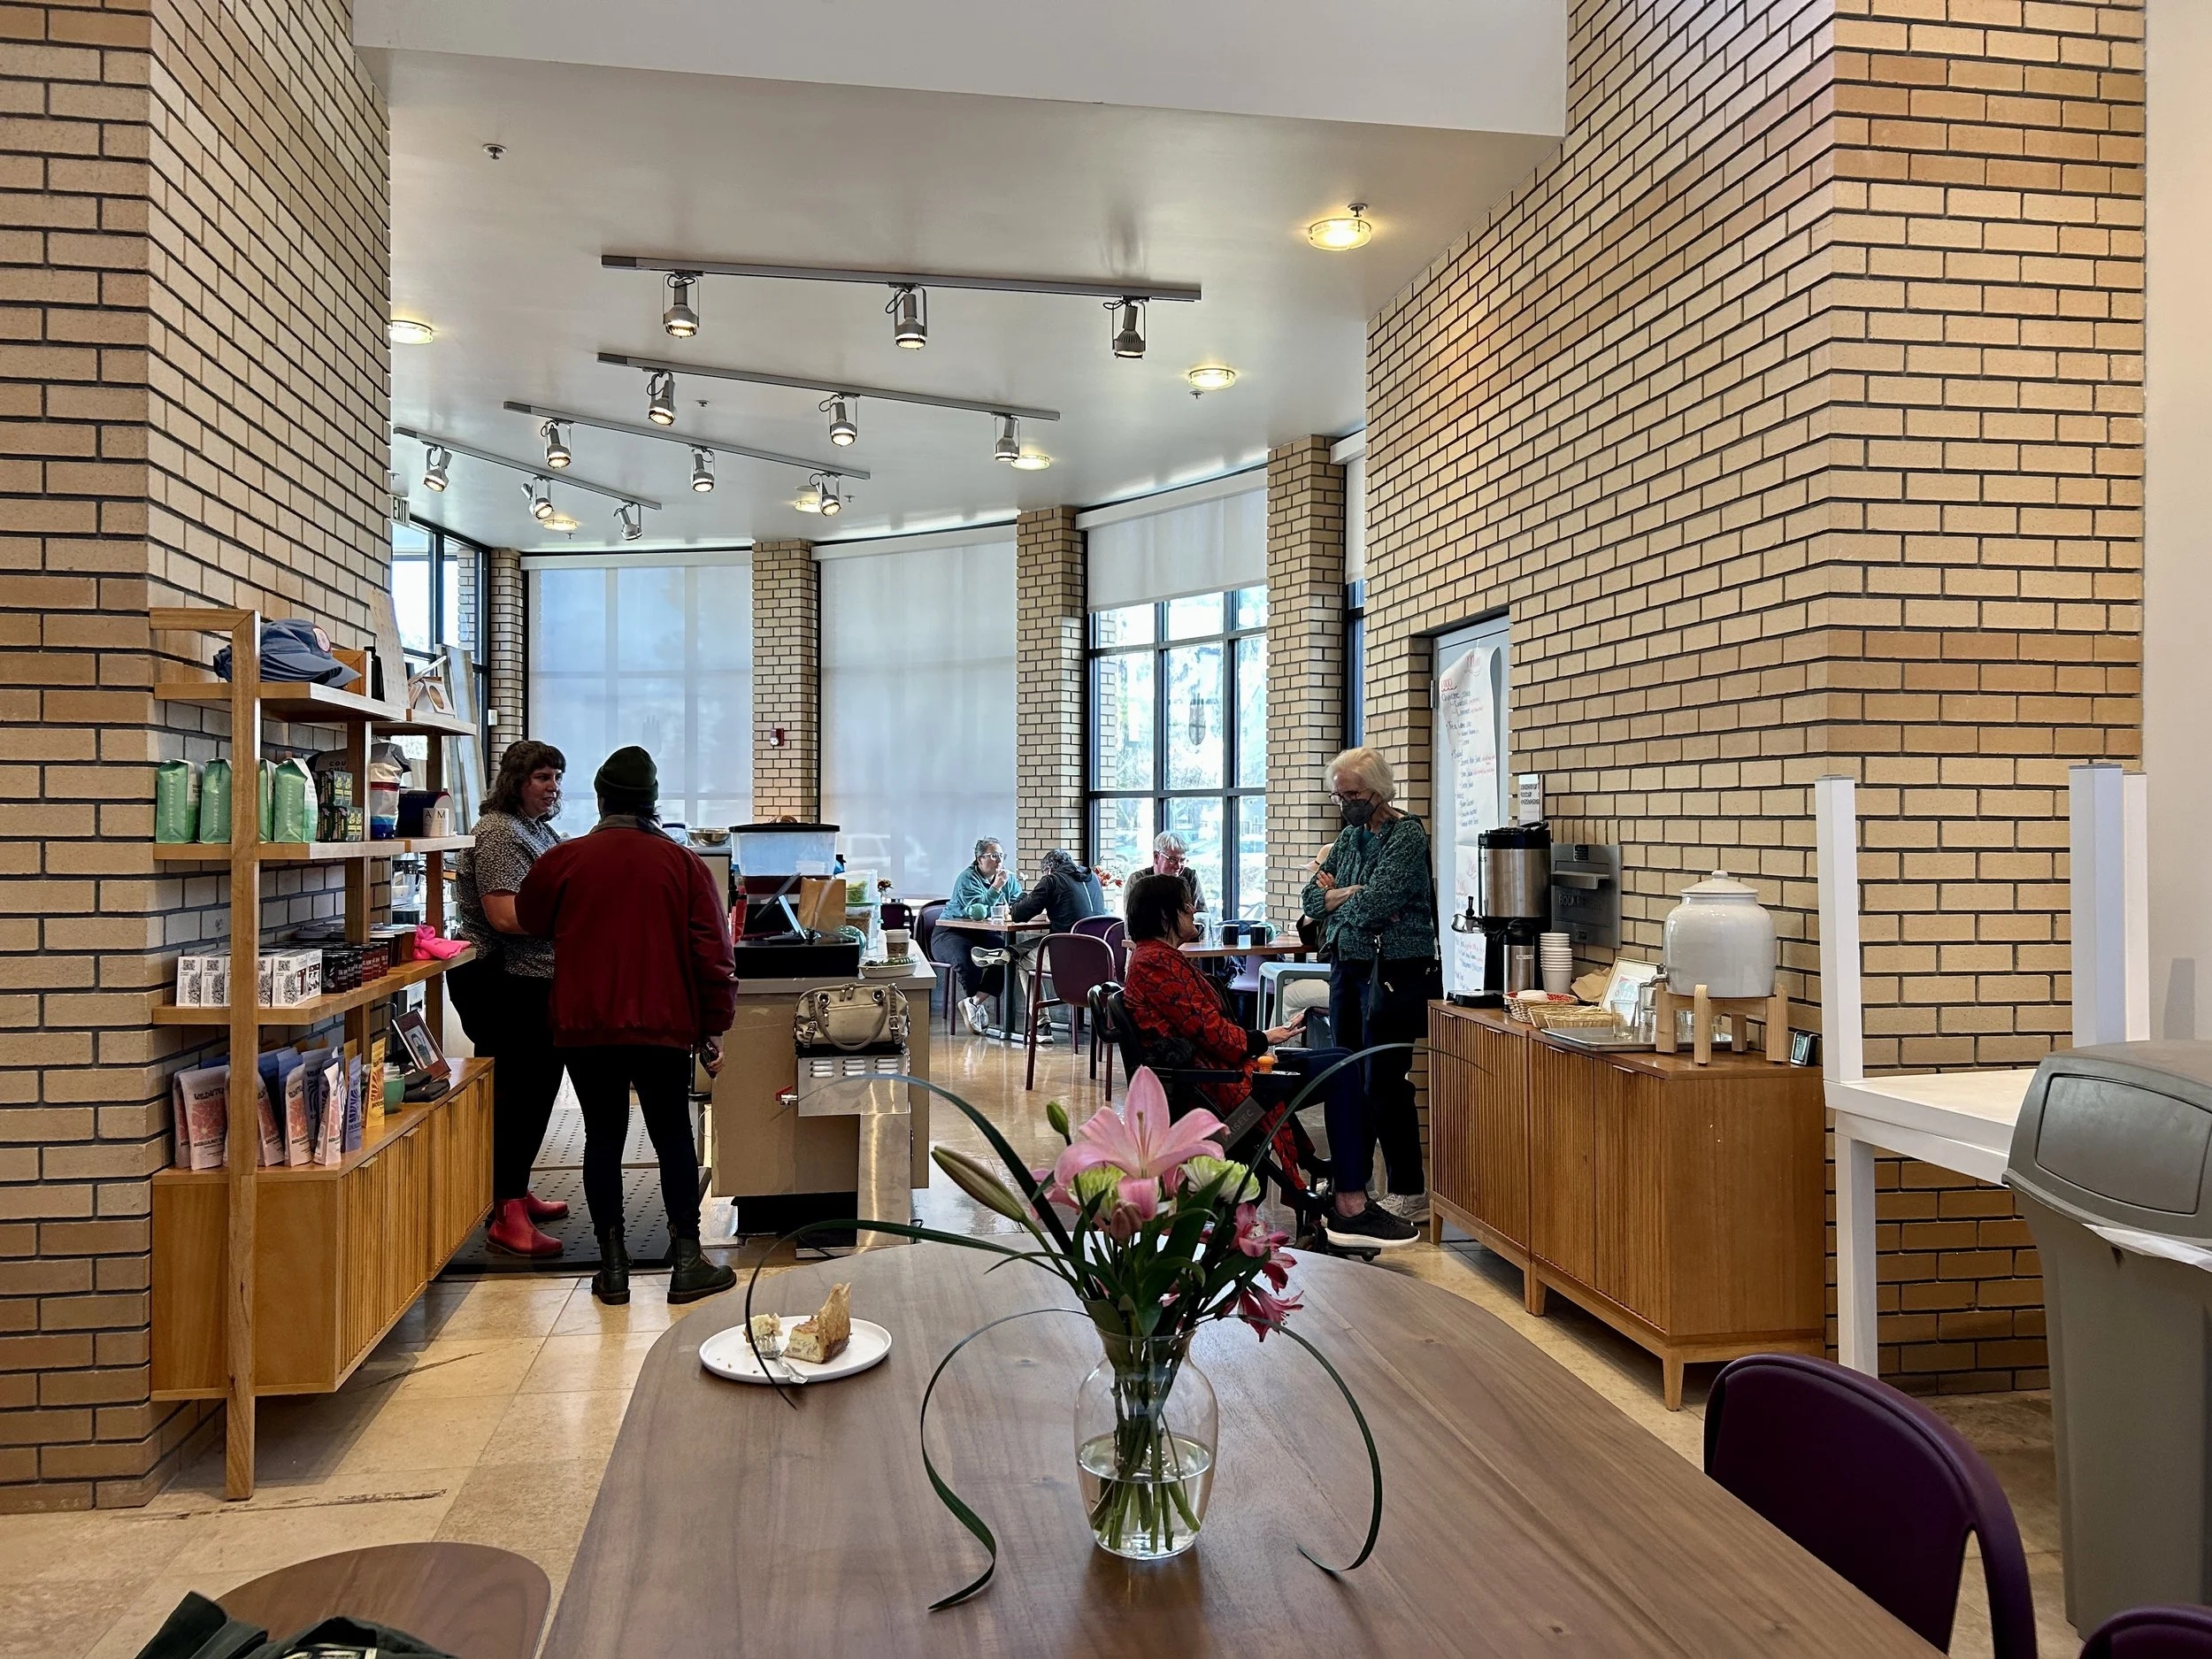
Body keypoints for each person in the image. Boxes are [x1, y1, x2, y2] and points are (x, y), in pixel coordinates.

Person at [516, 746, 739, 1307]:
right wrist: (714, 1025)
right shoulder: (683, 864)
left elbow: (530, 917)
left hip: (585, 1025)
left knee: (602, 1137)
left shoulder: (565, 859)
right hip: (664, 1026)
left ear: (600, 799)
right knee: (672, 1136)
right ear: (653, 802)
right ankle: (687, 1263)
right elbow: (713, 954)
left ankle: (612, 1267)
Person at [1119, 872, 1417, 1249]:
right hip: (1217, 1084)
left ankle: (1346, 1190)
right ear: (1165, 916)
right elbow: (1214, 1035)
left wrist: (1263, 1039)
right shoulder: (1154, 964)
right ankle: (1350, 1204)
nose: (1193, 910)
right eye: (1186, 904)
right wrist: (1263, 1038)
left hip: (1217, 1074)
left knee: (1345, 1059)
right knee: (1343, 1069)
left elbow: (1205, 1030)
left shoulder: (1156, 959)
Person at [1301, 745, 1438, 1225]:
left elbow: (1380, 901)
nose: (1345, 805)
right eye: (1339, 797)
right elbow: (1310, 901)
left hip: (1393, 972)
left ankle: (1409, 1189)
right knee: (1347, 1078)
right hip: (1347, 968)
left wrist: (1345, 901)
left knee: (1383, 1080)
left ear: (1377, 791)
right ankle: (1354, 1184)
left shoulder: (1406, 836)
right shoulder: (1350, 837)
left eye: (1352, 794)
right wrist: (1343, 896)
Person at [449, 740, 571, 1259]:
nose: (553, 787)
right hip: (506, 982)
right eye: (543, 777)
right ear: (517, 781)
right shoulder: (499, 833)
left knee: (538, 1090)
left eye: (557, 777)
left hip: (534, 979)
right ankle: (506, 1214)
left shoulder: (536, 829)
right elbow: (504, 916)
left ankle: (516, 1191)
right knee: (518, 1096)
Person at [947, 837, 1021, 1033]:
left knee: (1006, 954)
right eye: (994, 856)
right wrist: (996, 887)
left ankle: (974, 1002)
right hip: (952, 931)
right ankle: (973, 1007)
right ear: (979, 859)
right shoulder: (967, 878)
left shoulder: (1008, 878)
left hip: (982, 933)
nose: (999, 861)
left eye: (1001, 856)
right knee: (966, 960)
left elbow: (1018, 901)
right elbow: (976, 911)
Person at [1152, 831, 1207, 916]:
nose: (1178, 866)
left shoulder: (1189, 877)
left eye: (1182, 861)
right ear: (1156, 857)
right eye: (1172, 860)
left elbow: (1202, 917)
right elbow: (1133, 925)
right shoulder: (1139, 881)